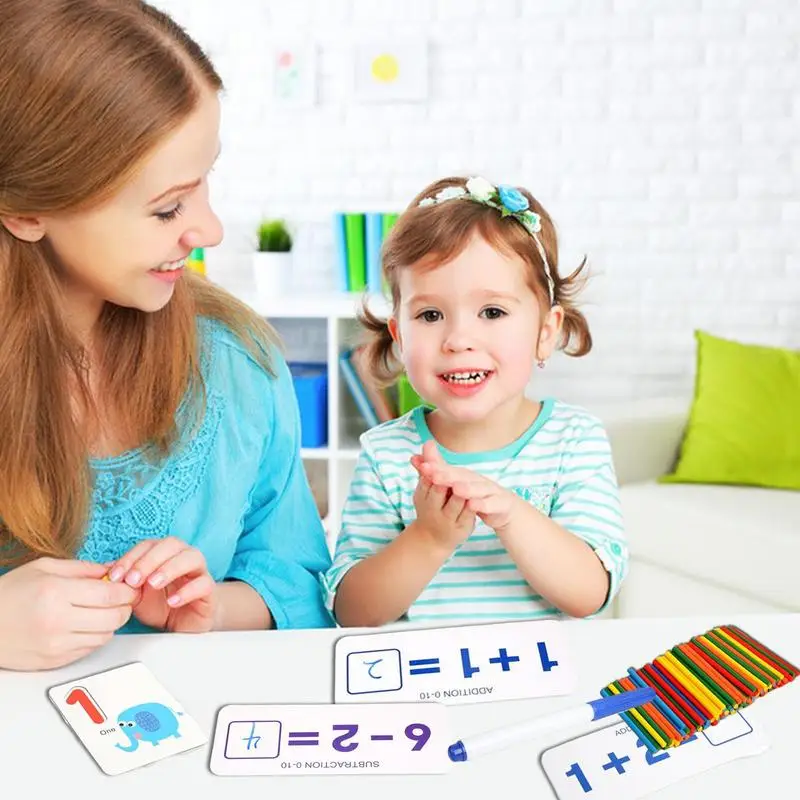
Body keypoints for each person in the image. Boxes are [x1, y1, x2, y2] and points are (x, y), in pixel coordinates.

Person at [0, 0, 333, 672]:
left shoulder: (237, 362)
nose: (209, 230)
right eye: (166, 208)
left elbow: (300, 582)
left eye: (206, 180)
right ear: (27, 211)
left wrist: (214, 609)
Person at [324, 175, 629, 627]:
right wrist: (429, 537)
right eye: (430, 315)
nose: (459, 339)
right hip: (423, 686)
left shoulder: (574, 441)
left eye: (492, 312)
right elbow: (353, 612)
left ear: (545, 333)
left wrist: (510, 513)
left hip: (540, 682)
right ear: (400, 337)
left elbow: (590, 593)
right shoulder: (388, 454)